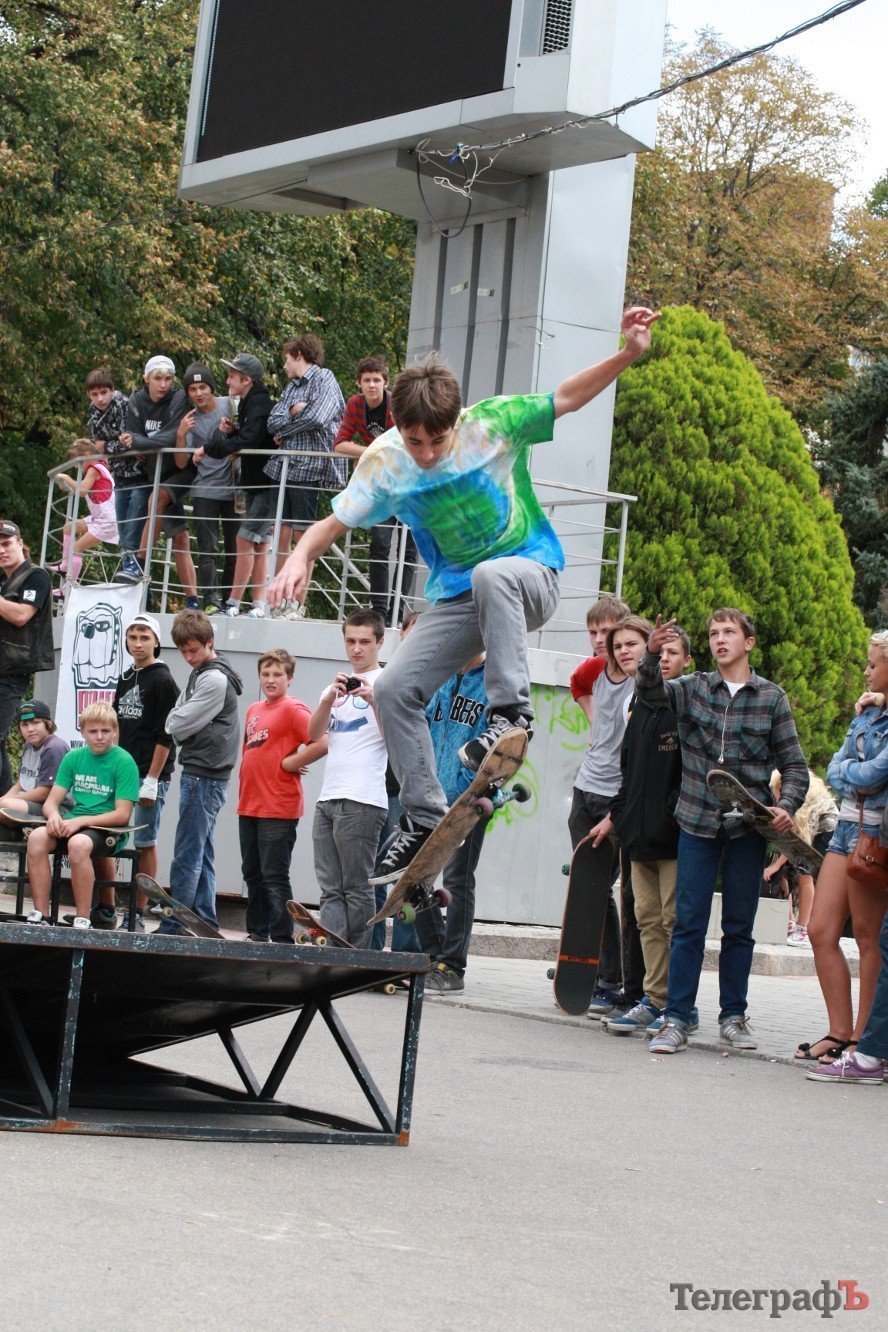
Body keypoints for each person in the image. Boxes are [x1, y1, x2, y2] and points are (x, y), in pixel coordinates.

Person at [269, 307, 660, 883]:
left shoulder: (493, 422)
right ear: (397, 426)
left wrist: (628, 353)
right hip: (459, 603)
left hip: (530, 577)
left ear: (456, 422)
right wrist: (300, 556)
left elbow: (568, 397)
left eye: (436, 440)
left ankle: (510, 713)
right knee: (397, 687)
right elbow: (334, 523)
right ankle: (426, 819)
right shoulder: (384, 462)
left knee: (490, 574)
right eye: (414, 440)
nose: (425, 452)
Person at [642, 610, 809, 1054]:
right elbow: (649, 692)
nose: (719, 640)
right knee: (688, 924)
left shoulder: (772, 698)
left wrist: (785, 806)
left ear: (748, 642)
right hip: (696, 821)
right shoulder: (692, 687)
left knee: (739, 927)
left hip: (748, 829)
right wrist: (652, 653)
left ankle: (733, 1015)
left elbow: (795, 766)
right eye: (714, 634)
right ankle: (676, 1018)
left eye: (729, 633)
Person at [797, 635, 888, 1067]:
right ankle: (838, 1030)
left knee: (870, 938)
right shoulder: (867, 713)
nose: (866, 673)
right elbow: (837, 768)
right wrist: (855, 773)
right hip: (845, 830)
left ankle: (862, 1041)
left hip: (876, 838)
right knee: (820, 930)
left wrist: (854, 773)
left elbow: (876, 772)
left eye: (873, 666)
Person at [606, 626, 693, 1035]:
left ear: (687, 662)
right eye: (660, 655)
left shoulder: (690, 706)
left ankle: (681, 1006)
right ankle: (654, 999)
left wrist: (674, 813)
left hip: (676, 836)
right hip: (638, 834)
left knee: (676, 919)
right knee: (646, 918)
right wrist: (621, 816)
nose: (665, 660)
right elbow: (628, 770)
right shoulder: (638, 706)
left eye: (672, 653)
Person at [569, 615, 652, 1020]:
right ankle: (603, 978)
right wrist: (593, 719)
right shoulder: (595, 671)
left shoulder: (646, 685)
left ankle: (624, 984)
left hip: (618, 799)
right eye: (601, 637)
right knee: (589, 887)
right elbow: (577, 684)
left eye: (617, 639)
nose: (606, 644)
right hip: (585, 790)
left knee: (628, 894)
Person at [94, 613, 180, 930]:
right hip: (122, 771)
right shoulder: (126, 676)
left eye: (145, 637)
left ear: (156, 641)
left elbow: (165, 734)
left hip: (149, 774)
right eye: (133, 636)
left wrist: (152, 780)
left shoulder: (163, 680)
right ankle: (105, 906)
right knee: (104, 836)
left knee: (145, 841)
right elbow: (116, 726)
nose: (138, 642)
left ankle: (137, 912)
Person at [308, 610, 388, 947]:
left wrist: (373, 700)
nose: (357, 649)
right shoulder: (336, 684)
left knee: (357, 886)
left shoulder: (388, 682)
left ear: (380, 643)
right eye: (351, 641)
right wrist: (328, 699)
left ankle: (356, 954)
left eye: (365, 642)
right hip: (328, 797)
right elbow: (313, 734)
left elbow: (397, 739)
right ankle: (334, 952)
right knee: (329, 887)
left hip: (364, 799)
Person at [415, 652, 492, 993]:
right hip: (430, 796)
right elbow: (425, 730)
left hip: (468, 799)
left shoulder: (495, 680)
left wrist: (471, 786)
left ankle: (453, 965)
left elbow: (505, 743)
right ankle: (434, 954)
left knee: (458, 879)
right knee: (414, 874)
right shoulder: (443, 675)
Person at [162, 610, 243, 931]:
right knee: (202, 849)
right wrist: (180, 716)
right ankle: (206, 919)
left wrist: (178, 718)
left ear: (210, 643)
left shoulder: (213, 678)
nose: (187, 657)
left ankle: (175, 925)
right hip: (205, 770)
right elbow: (180, 716)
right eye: (182, 651)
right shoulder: (204, 671)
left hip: (205, 773)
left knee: (188, 851)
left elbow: (175, 722)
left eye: (193, 650)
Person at [24, 703, 139, 928]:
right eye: (93, 731)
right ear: (83, 732)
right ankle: (42, 915)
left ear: (115, 731)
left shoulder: (124, 762)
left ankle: (83, 917)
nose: (99, 737)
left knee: (77, 844)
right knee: (37, 838)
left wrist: (80, 821)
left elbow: (122, 815)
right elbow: (50, 802)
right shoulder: (73, 757)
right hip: (75, 821)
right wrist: (54, 816)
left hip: (108, 828)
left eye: (105, 731)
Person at [238, 648, 324, 943]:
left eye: (278, 675)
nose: (271, 680)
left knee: (274, 876)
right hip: (249, 804)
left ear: (290, 678)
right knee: (252, 873)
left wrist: (292, 762)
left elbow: (321, 740)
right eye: (266, 674)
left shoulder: (293, 709)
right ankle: (257, 934)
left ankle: (283, 939)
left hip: (277, 806)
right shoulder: (253, 710)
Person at [265, 335, 345, 614]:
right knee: (280, 533)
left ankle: (296, 603)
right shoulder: (290, 388)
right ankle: (277, 600)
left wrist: (287, 424)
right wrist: (293, 413)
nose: (284, 365)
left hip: (309, 468)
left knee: (303, 536)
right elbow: (271, 422)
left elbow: (318, 418)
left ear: (298, 354)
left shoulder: (325, 379)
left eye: (286, 358)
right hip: (284, 468)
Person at [333, 355, 417, 622]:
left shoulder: (397, 405)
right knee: (379, 543)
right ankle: (380, 609)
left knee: (410, 548)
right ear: (359, 383)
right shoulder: (356, 404)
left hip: (411, 483)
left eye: (376, 380)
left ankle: (398, 609)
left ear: (385, 382)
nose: (371, 385)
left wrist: (369, 453)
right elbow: (339, 444)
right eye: (367, 380)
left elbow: (399, 446)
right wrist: (370, 451)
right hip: (381, 484)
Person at [201, 353, 276, 619]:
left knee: (244, 540)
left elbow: (250, 440)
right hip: (258, 482)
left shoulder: (259, 404)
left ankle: (233, 603)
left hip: (266, 483)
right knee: (259, 544)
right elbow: (249, 437)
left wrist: (212, 447)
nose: (228, 380)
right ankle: (258, 604)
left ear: (247, 380)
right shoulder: (250, 402)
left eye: (233, 376)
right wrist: (233, 433)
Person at [113, 356, 190, 590]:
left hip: (182, 469)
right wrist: (140, 443)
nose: (163, 384)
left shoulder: (179, 398)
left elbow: (172, 435)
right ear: (146, 379)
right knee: (180, 537)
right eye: (158, 379)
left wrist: (141, 443)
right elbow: (131, 437)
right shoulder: (136, 399)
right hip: (154, 474)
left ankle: (138, 564)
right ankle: (192, 598)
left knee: (156, 501)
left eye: (168, 379)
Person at [173, 364, 237, 614]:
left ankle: (230, 602)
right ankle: (210, 600)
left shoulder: (229, 404)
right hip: (204, 491)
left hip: (234, 490)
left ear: (211, 387)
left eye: (203, 387)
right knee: (208, 549)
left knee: (235, 549)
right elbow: (180, 463)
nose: (198, 393)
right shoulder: (190, 420)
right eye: (192, 389)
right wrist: (180, 435)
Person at [0, 520, 54, 794]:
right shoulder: (4, 583)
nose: (2, 550)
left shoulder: (36, 576)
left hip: (13, 672)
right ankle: (7, 805)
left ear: (20, 543)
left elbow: (21, 615)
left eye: (6, 543)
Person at [764, 769, 837, 949]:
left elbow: (803, 840)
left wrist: (774, 866)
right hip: (806, 830)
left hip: (824, 830)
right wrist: (777, 866)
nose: (776, 798)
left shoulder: (804, 803)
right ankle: (789, 921)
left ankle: (802, 929)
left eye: (776, 793)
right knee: (783, 870)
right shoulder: (788, 799)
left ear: (783, 788)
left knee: (804, 873)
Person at [84, 368, 138, 552]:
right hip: (116, 472)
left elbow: (129, 442)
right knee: (121, 519)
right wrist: (109, 446)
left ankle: (134, 562)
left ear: (112, 389)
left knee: (134, 518)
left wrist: (106, 446)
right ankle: (128, 560)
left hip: (137, 470)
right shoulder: (93, 409)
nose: (100, 399)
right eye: (94, 394)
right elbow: (96, 444)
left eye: (104, 392)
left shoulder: (123, 404)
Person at [52, 440, 119, 584]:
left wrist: (67, 478)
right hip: (99, 517)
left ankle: (68, 587)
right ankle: (65, 566)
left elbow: (82, 490)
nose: (78, 468)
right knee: (69, 527)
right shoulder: (100, 466)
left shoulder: (94, 468)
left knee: (77, 547)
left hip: (107, 520)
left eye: (77, 463)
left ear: (87, 455)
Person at [0, 699, 70, 829]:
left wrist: (13, 799)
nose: (30, 729)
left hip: (57, 808)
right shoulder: (28, 745)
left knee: (6, 806)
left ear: (47, 724)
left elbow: (46, 792)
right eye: (24, 724)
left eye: (35, 723)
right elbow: (22, 782)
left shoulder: (54, 748)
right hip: (32, 802)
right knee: (3, 804)